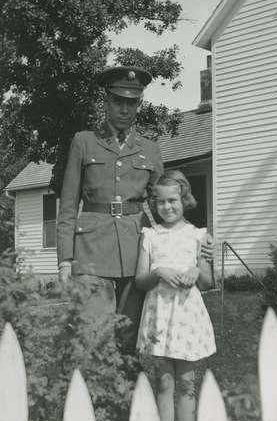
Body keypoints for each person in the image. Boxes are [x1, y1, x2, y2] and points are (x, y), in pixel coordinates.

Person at [57, 65, 213, 353]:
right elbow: (67, 206)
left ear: (139, 105)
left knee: (130, 339)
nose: (125, 109)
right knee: (94, 337)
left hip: (135, 252)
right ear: (106, 102)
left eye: (132, 102)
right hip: (90, 252)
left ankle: (129, 398)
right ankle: (94, 397)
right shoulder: (84, 141)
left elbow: (168, 204)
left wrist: (196, 242)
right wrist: (65, 260)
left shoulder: (150, 150)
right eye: (118, 101)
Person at [135, 170, 216, 421]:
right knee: (164, 381)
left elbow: (207, 282)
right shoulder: (150, 236)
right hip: (159, 314)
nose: (167, 207)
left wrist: (196, 271)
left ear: (184, 200)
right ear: (154, 204)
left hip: (186, 315)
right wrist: (158, 272)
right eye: (161, 202)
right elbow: (140, 281)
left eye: (173, 200)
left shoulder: (198, 236)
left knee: (186, 382)